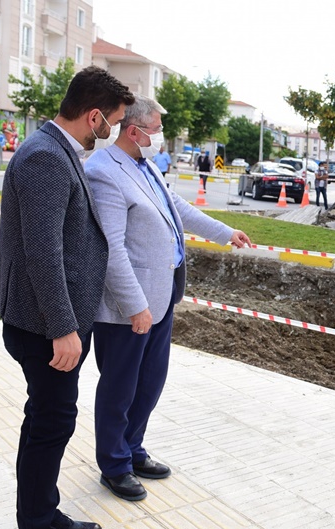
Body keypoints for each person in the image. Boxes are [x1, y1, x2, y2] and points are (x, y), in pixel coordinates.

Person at [0, 66, 134, 529]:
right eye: (112, 121)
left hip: (52, 318)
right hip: (46, 324)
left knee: (54, 420)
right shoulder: (46, 157)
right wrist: (64, 328)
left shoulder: (56, 149)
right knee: (48, 426)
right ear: (94, 115)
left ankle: (45, 514)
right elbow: (44, 254)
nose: (110, 130)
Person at [84, 95, 252, 503]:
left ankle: (133, 448)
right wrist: (135, 305)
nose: (161, 138)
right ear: (135, 131)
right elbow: (112, 248)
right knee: (120, 387)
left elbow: (177, 209)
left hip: (161, 297)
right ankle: (114, 465)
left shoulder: (146, 166)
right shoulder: (105, 172)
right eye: (157, 130)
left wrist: (224, 232)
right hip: (130, 307)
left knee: (149, 383)